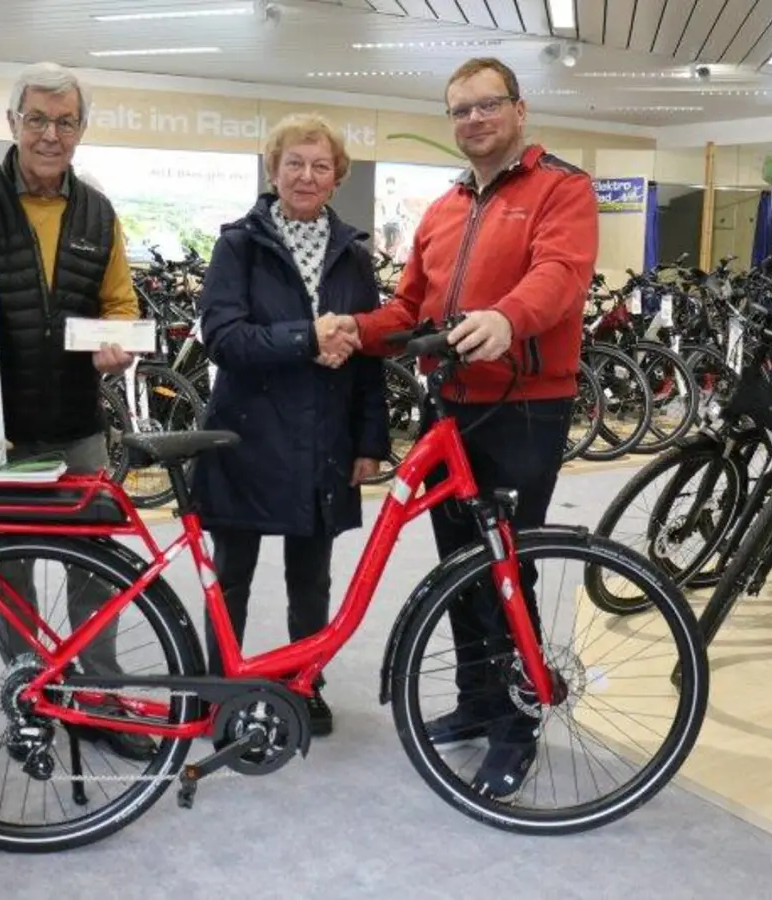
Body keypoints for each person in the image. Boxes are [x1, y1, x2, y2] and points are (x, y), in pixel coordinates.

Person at [323, 57, 597, 797]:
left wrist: (507, 318)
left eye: (487, 105)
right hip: (449, 405)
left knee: (505, 565)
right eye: (460, 110)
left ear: (519, 109)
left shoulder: (562, 188)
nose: (474, 119)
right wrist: (355, 328)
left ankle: (516, 722)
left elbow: (561, 274)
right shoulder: (444, 208)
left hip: (524, 406)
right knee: (457, 566)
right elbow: (409, 306)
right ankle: (478, 699)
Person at [0, 62, 155, 761]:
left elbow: (118, 304)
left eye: (65, 122)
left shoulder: (98, 211)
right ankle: (29, 696)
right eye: (37, 120)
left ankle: (99, 697)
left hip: (78, 427)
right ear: (13, 123)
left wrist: (117, 344)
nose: (50, 135)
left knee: (95, 570)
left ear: (81, 129)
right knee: (10, 574)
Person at [189, 113, 388, 737]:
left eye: (320, 165)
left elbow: (370, 355)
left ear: (337, 177)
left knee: (311, 579)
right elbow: (223, 337)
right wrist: (307, 338)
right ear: (273, 170)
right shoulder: (238, 246)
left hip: (324, 436)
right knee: (232, 576)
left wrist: (370, 440)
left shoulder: (353, 255)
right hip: (247, 436)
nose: (306, 175)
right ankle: (219, 690)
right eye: (294, 163)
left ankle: (306, 683)